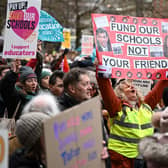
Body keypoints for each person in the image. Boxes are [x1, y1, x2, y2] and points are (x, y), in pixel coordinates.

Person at [97, 76, 168, 168]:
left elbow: (158, 90)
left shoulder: (145, 106)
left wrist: (166, 76)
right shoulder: (117, 108)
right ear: (120, 93)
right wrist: (102, 77)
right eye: (127, 87)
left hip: (144, 156)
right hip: (123, 157)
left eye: (132, 86)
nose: (132, 87)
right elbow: (106, 92)